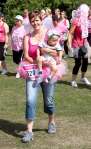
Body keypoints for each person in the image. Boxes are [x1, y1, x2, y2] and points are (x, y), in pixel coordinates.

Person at [21, 11, 58, 143]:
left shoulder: (49, 33)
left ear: (41, 20)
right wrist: (36, 62)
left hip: (48, 71)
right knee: (30, 100)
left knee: (49, 100)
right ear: (30, 22)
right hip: (32, 72)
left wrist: (47, 56)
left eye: (37, 20)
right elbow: (26, 55)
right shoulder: (27, 37)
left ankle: (51, 122)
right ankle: (29, 131)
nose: (35, 23)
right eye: (32, 21)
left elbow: (57, 51)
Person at [68, 4, 91, 87]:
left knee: (85, 62)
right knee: (78, 63)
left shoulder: (86, 21)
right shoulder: (76, 21)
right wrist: (69, 45)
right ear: (83, 12)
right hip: (76, 44)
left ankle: (83, 78)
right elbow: (70, 33)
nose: (88, 13)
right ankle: (73, 80)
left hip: (83, 44)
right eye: (87, 11)